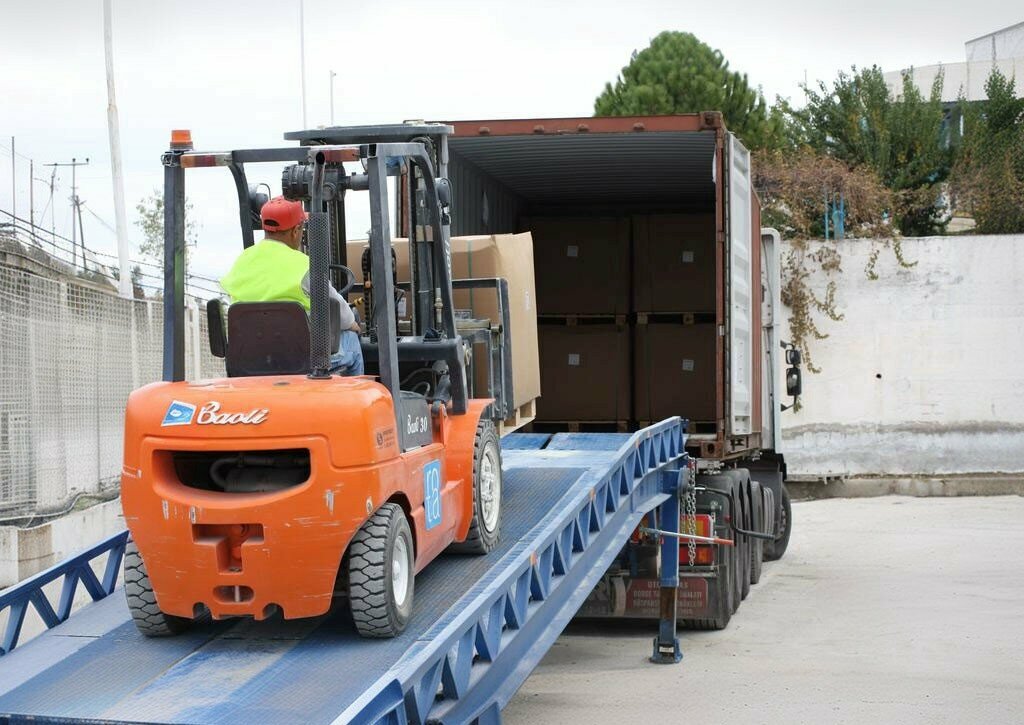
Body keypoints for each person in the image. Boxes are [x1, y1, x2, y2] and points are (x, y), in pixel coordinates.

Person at [221, 196, 364, 375]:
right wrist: (353, 324)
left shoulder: (242, 261)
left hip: (251, 361)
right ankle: (351, 402)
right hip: (300, 361)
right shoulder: (304, 265)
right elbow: (342, 314)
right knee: (351, 340)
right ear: (296, 231)